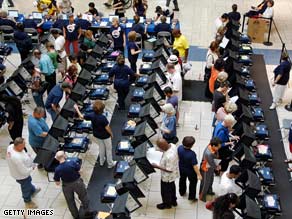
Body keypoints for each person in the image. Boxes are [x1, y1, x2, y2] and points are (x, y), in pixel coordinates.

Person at [54, 151, 91, 219]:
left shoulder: (57, 169)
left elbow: (57, 183)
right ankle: (88, 212)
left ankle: (76, 216)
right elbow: (80, 170)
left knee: (70, 201)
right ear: (64, 156)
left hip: (66, 186)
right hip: (77, 183)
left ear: (57, 159)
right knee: (83, 196)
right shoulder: (72, 163)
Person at [6, 138, 40, 209]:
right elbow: (24, 171)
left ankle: (33, 190)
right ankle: (28, 202)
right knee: (25, 188)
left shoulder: (11, 146)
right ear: (18, 146)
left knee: (28, 181)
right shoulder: (16, 158)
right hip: (22, 176)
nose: (25, 146)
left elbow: (23, 154)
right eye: (23, 145)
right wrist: (32, 168)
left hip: (19, 172)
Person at [80, 100, 116, 168]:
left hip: (97, 135)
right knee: (108, 149)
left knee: (101, 148)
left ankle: (101, 162)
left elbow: (82, 117)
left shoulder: (91, 115)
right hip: (105, 136)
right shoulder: (103, 118)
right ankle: (110, 164)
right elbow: (107, 128)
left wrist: (76, 109)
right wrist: (111, 134)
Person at [152, 138, 179, 209]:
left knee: (165, 192)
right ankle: (174, 201)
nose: (159, 148)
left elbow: (169, 170)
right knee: (172, 187)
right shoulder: (173, 145)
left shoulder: (169, 156)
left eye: (159, 147)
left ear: (163, 147)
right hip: (173, 175)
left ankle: (167, 204)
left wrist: (157, 166)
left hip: (167, 177)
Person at [178, 136, 202, 201]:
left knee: (182, 180)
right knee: (193, 183)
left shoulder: (179, 148)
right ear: (191, 145)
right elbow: (194, 166)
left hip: (181, 168)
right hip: (190, 171)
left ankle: (182, 192)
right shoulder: (192, 154)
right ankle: (191, 197)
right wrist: (199, 174)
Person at [199, 137, 221, 202]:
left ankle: (209, 191)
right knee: (205, 183)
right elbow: (212, 163)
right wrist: (217, 167)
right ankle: (202, 196)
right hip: (205, 169)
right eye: (218, 147)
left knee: (211, 179)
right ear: (214, 145)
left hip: (210, 167)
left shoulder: (211, 146)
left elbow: (216, 156)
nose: (219, 148)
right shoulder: (208, 153)